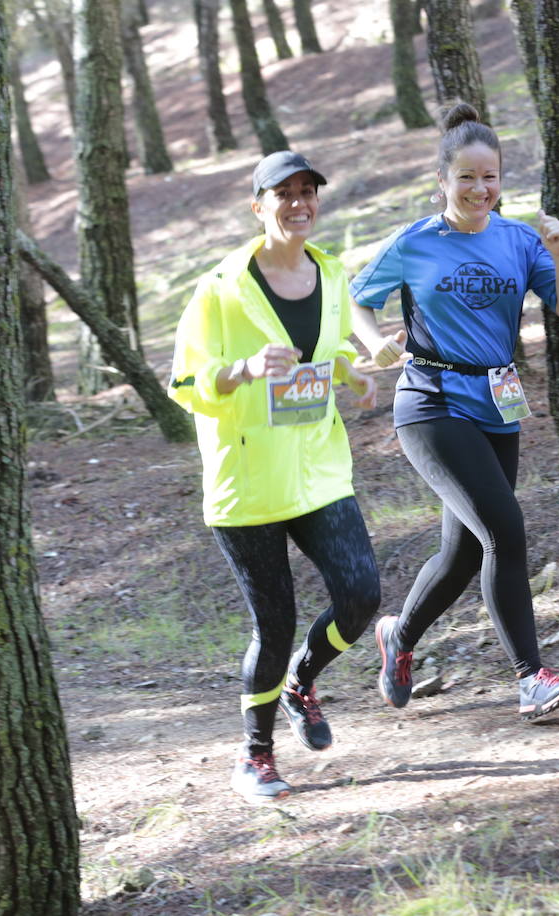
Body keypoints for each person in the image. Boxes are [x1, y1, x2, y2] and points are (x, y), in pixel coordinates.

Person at [349, 102, 559, 722]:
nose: (479, 189)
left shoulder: (519, 240)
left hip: (496, 401)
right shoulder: (416, 242)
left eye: (490, 177)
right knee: (504, 532)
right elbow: (357, 301)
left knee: (463, 553)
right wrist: (372, 339)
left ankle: (397, 637)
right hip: (430, 402)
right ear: (443, 181)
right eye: (466, 177)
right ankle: (531, 676)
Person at [169, 151, 381, 803]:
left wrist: (352, 372)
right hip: (249, 480)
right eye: (282, 194)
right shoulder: (219, 288)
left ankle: (302, 682)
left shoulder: (331, 271)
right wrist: (243, 369)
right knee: (276, 620)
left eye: (307, 192)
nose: (298, 203)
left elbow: (332, 348)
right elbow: (184, 383)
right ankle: (256, 756)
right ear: (258, 206)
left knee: (361, 594)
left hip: (317, 467)